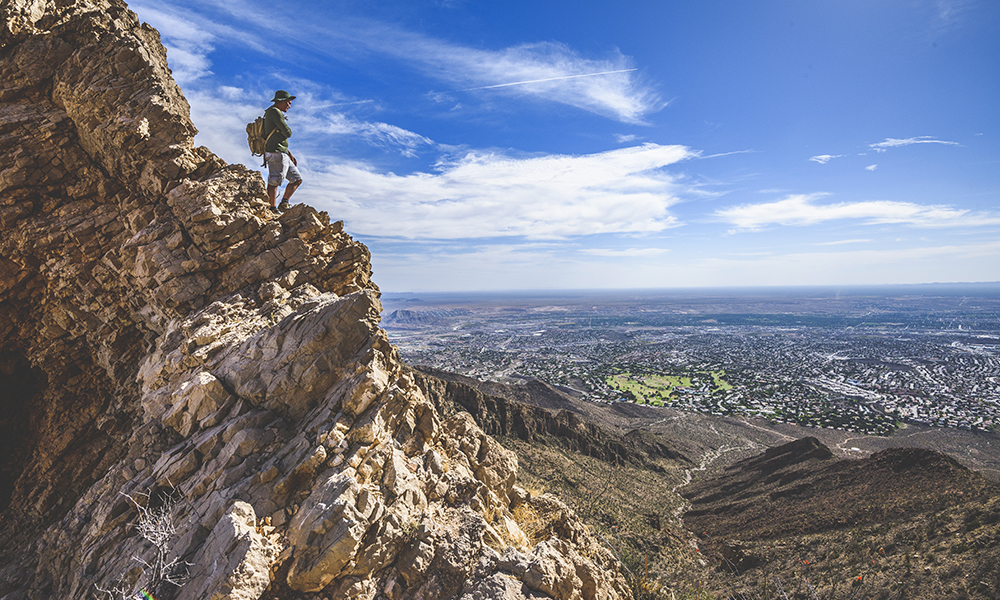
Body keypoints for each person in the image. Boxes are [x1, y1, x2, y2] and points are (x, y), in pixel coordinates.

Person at [263, 90, 303, 213]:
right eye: (288, 103)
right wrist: (286, 132)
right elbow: (288, 133)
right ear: (280, 101)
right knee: (274, 181)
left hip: (281, 152)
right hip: (275, 153)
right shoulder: (274, 112)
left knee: (297, 179)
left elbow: (280, 136)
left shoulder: (274, 112)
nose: (289, 106)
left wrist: (289, 153)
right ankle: (272, 208)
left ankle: (283, 203)